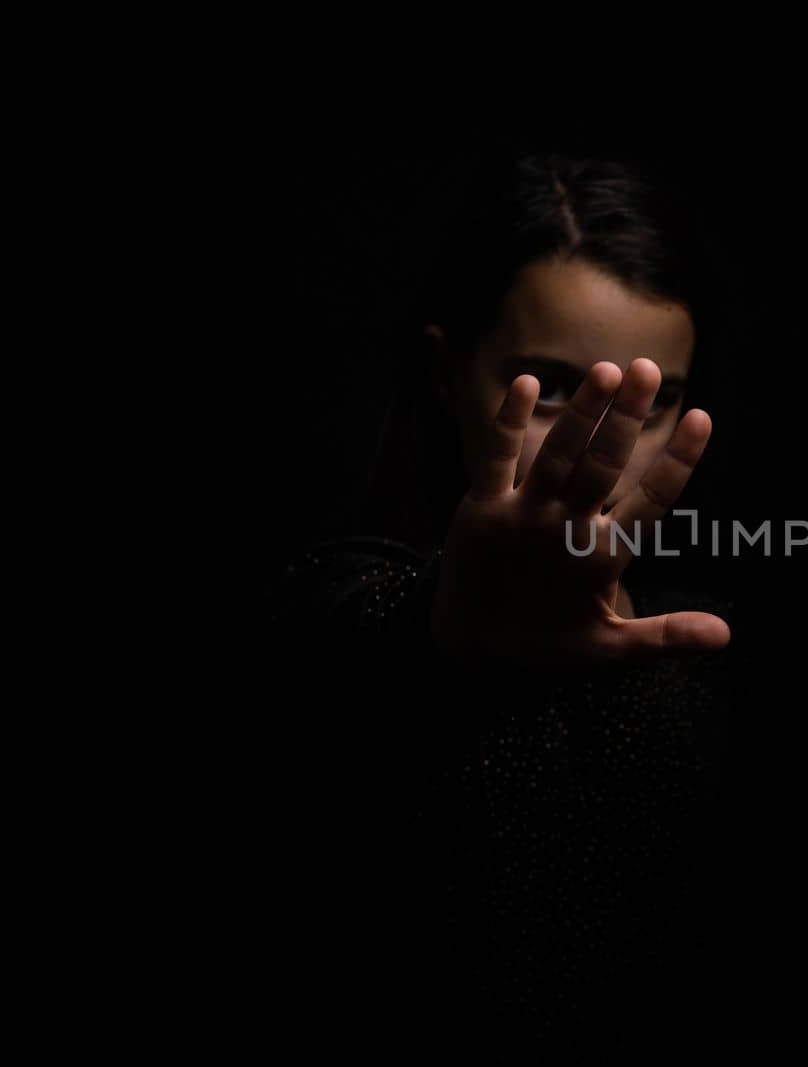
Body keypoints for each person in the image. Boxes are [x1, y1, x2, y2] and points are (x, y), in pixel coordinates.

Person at [258, 148, 742, 1057]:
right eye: (553, 387)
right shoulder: (343, 597)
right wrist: (458, 630)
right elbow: (366, 635)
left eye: (655, 398)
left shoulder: (698, 645)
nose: (603, 440)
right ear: (448, 374)